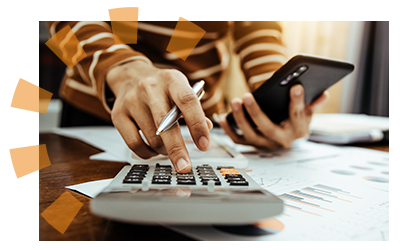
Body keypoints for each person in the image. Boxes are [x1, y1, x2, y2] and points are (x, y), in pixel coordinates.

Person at [46, 21, 329, 173]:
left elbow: (259, 30)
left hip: (201, 121)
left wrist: (276, 97)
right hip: (96, 107)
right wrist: (122, 70)